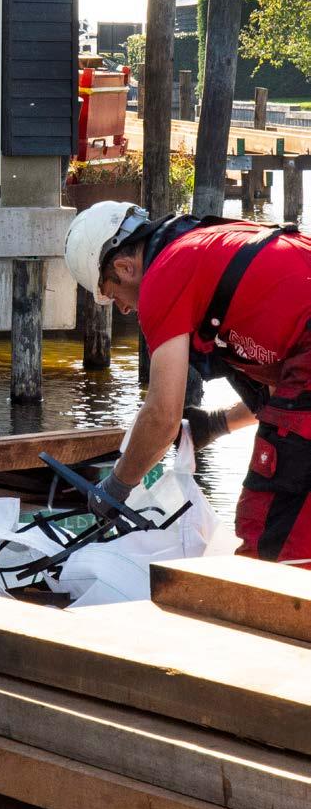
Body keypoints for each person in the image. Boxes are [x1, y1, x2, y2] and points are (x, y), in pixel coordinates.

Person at [64, 200, 311, 566]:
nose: (124, 310)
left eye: (112, 295)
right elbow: (285, 398)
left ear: (124, 266)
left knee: (269, 544)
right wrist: (217, 423)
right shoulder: (212, 248)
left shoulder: (164, 276)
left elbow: (162, 415)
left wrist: (115, 488)